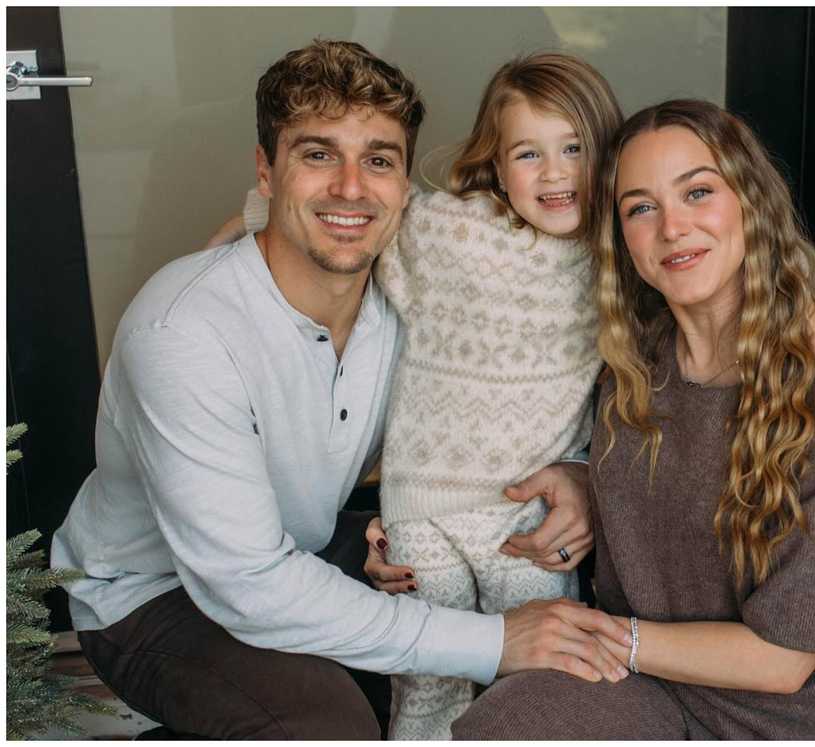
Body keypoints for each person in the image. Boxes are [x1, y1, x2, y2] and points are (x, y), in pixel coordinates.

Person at [216, 53, 815, 739]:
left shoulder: (623, 251)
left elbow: (755, 245)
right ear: (495, 161)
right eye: (529, 152)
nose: (554, 173)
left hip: (527, 521)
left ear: (606, 159)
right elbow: (331, 209)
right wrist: (216, 271)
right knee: (426, 686)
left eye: (574, 149)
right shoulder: (443, 229)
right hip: (421, 513)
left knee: (540, 678)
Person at [49, 40, 635, 741]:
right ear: (267, 171)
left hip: (310, 542)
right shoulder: (182, 333)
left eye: (378, 160)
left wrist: (575, 472)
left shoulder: (409, 295)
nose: (352, 188)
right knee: (328, 725)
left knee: (525, 602)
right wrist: (496, 640)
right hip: (159, 596)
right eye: (318, 154)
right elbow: (250, 585)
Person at [452, 99, 815, 740]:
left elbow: (785, 662)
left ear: (749, 204)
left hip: (793, 720)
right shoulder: (633, 369)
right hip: (651, 691)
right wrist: (580, 476)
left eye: (697, 192)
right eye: (641, 208)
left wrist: (601, 634)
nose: (672, 228)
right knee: (506, 724)